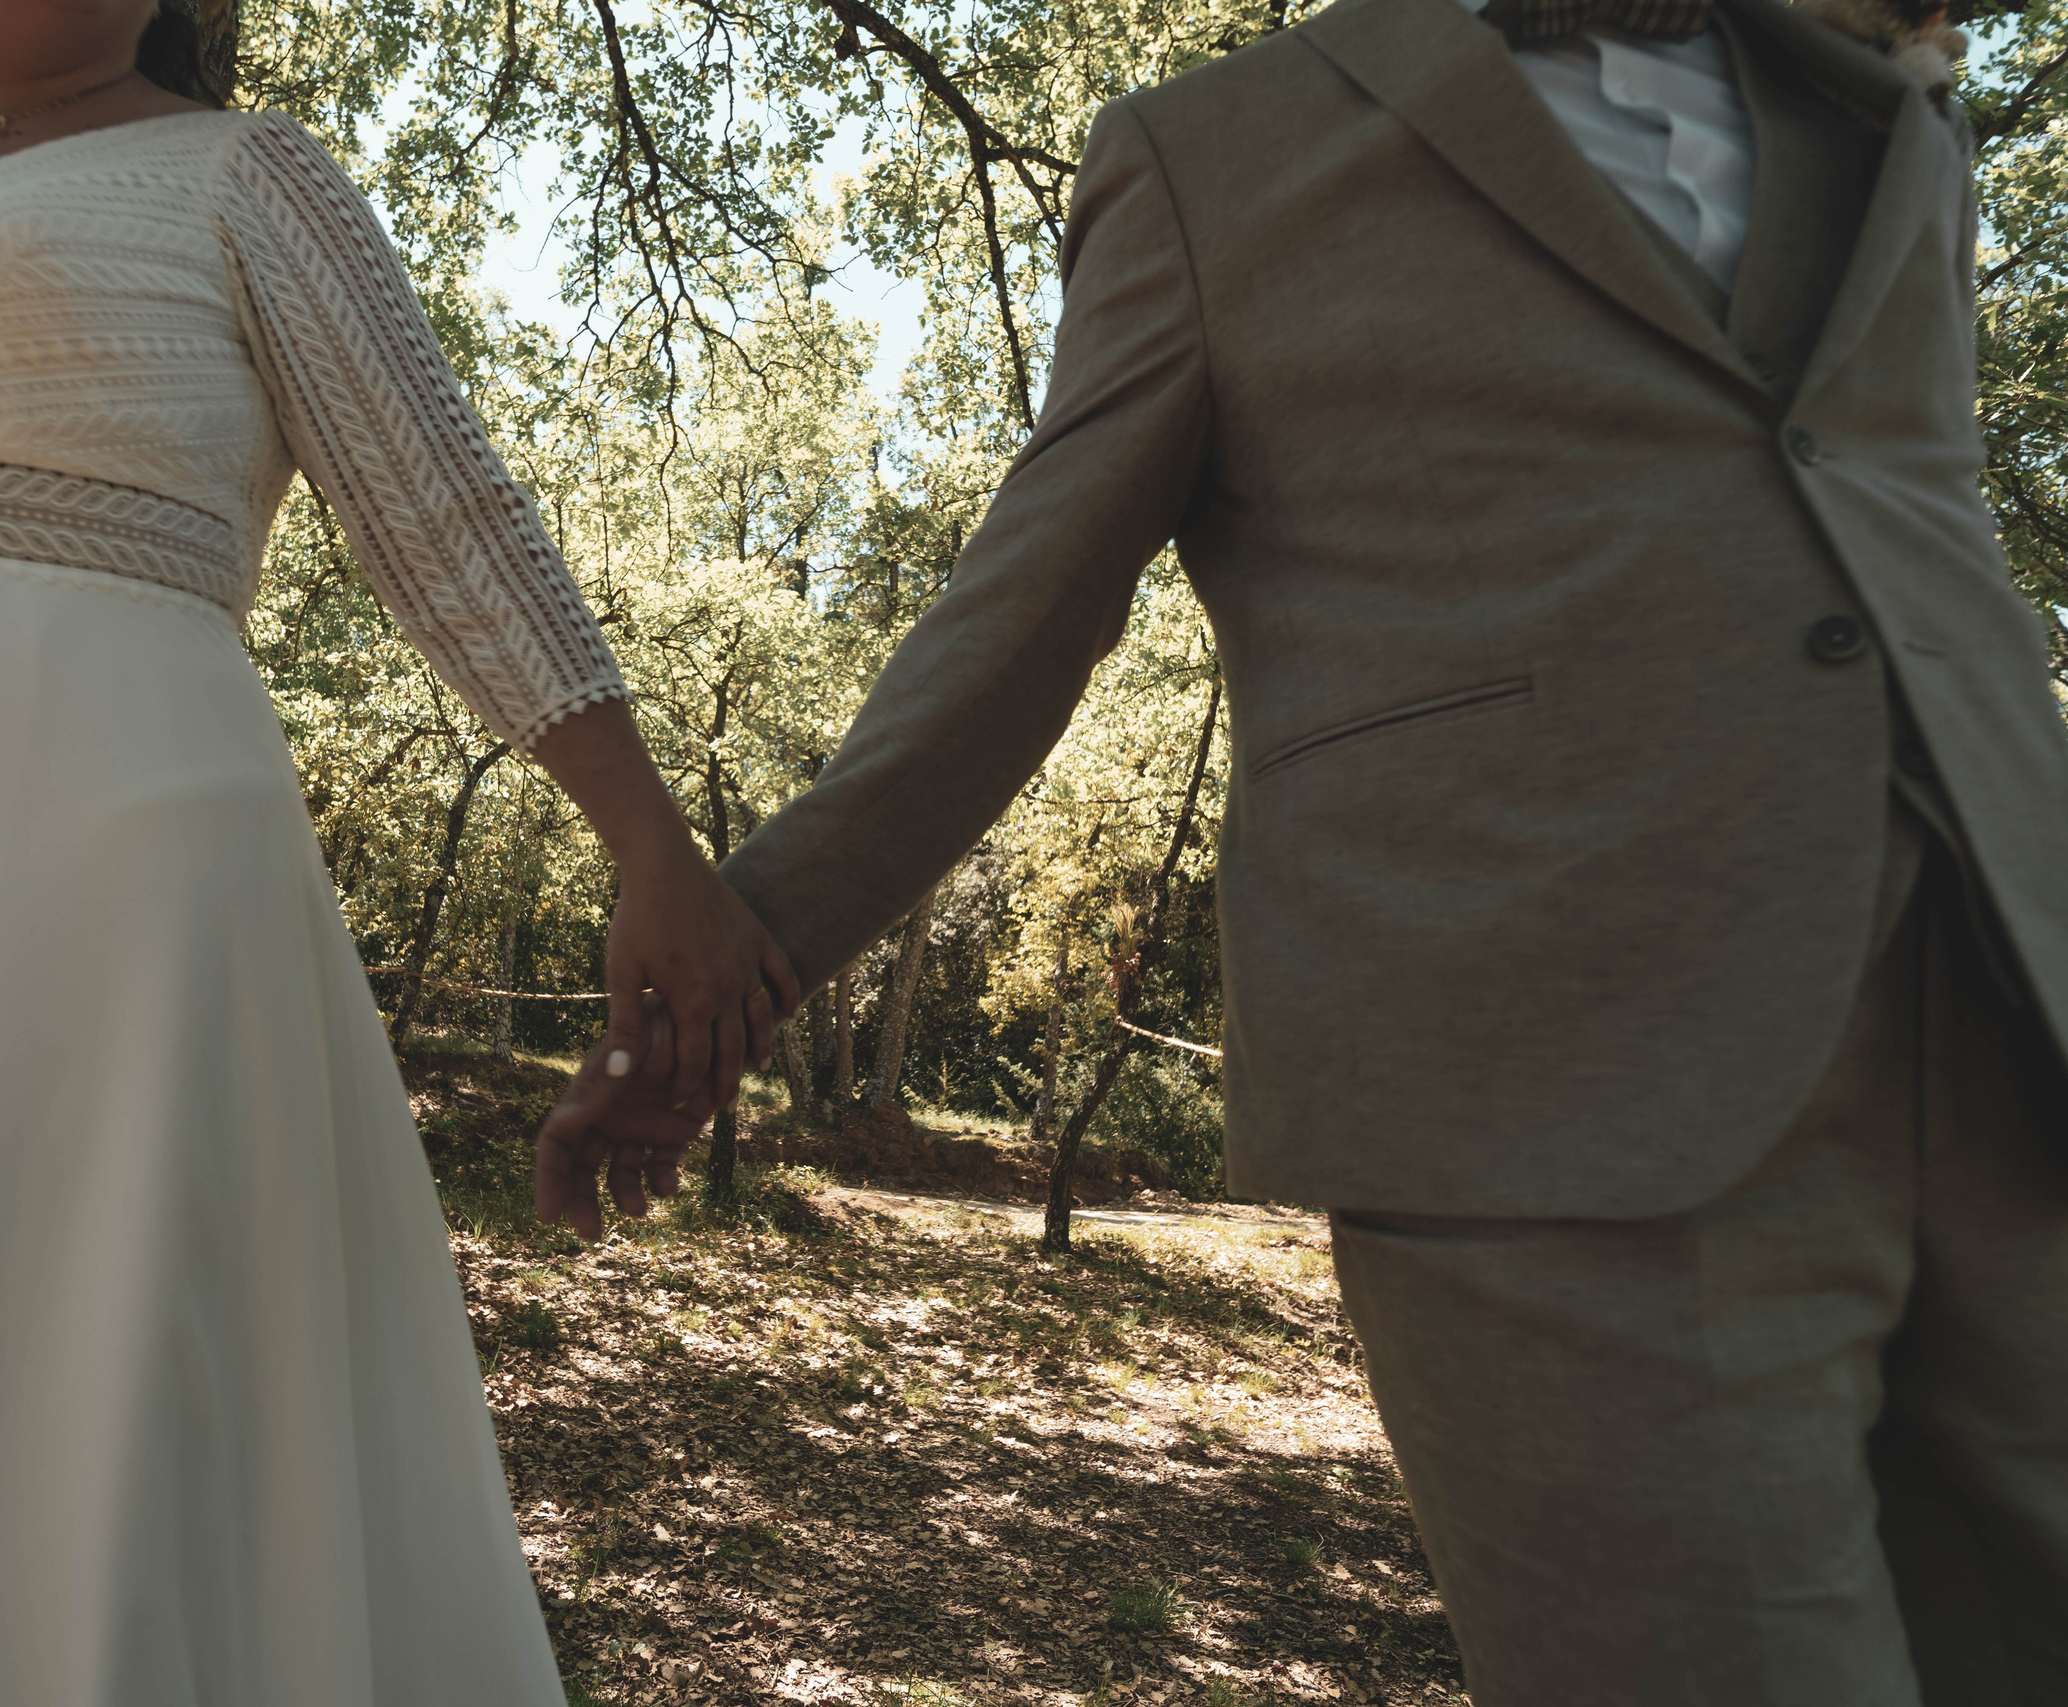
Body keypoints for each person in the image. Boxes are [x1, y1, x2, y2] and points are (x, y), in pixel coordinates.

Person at [538, 0, 2068, 1699]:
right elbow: (1025, 619)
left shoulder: (1889, 105)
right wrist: (736, 955)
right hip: (1559, 1072)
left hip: (2014, 1009)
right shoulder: (1210, 158)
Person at [0, 0, 794, 1700]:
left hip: (80, 909)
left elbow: (448, 520)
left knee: (34, 1441)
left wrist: (653, 849)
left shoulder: (243, 179)